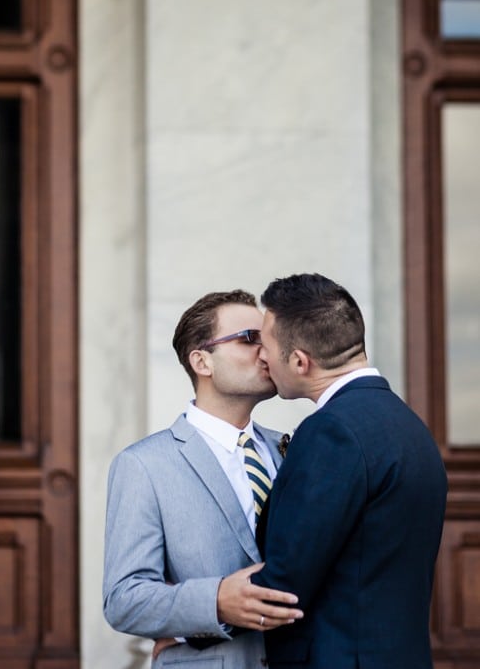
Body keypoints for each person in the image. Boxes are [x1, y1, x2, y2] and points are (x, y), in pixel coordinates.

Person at [251, 272, 447, 669]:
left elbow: (285, 584)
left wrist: (194, 622)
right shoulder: (409, 425)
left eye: (265, 346)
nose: (261, 358)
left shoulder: (332, 432)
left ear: (300, 361)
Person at [103, 289, 304, 667]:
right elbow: (124, 599)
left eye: (268, 339)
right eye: (250, 339)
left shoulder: (295, 451)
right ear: (202, 361)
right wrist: (214, 604)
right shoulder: (144, 465)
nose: (266, 352)